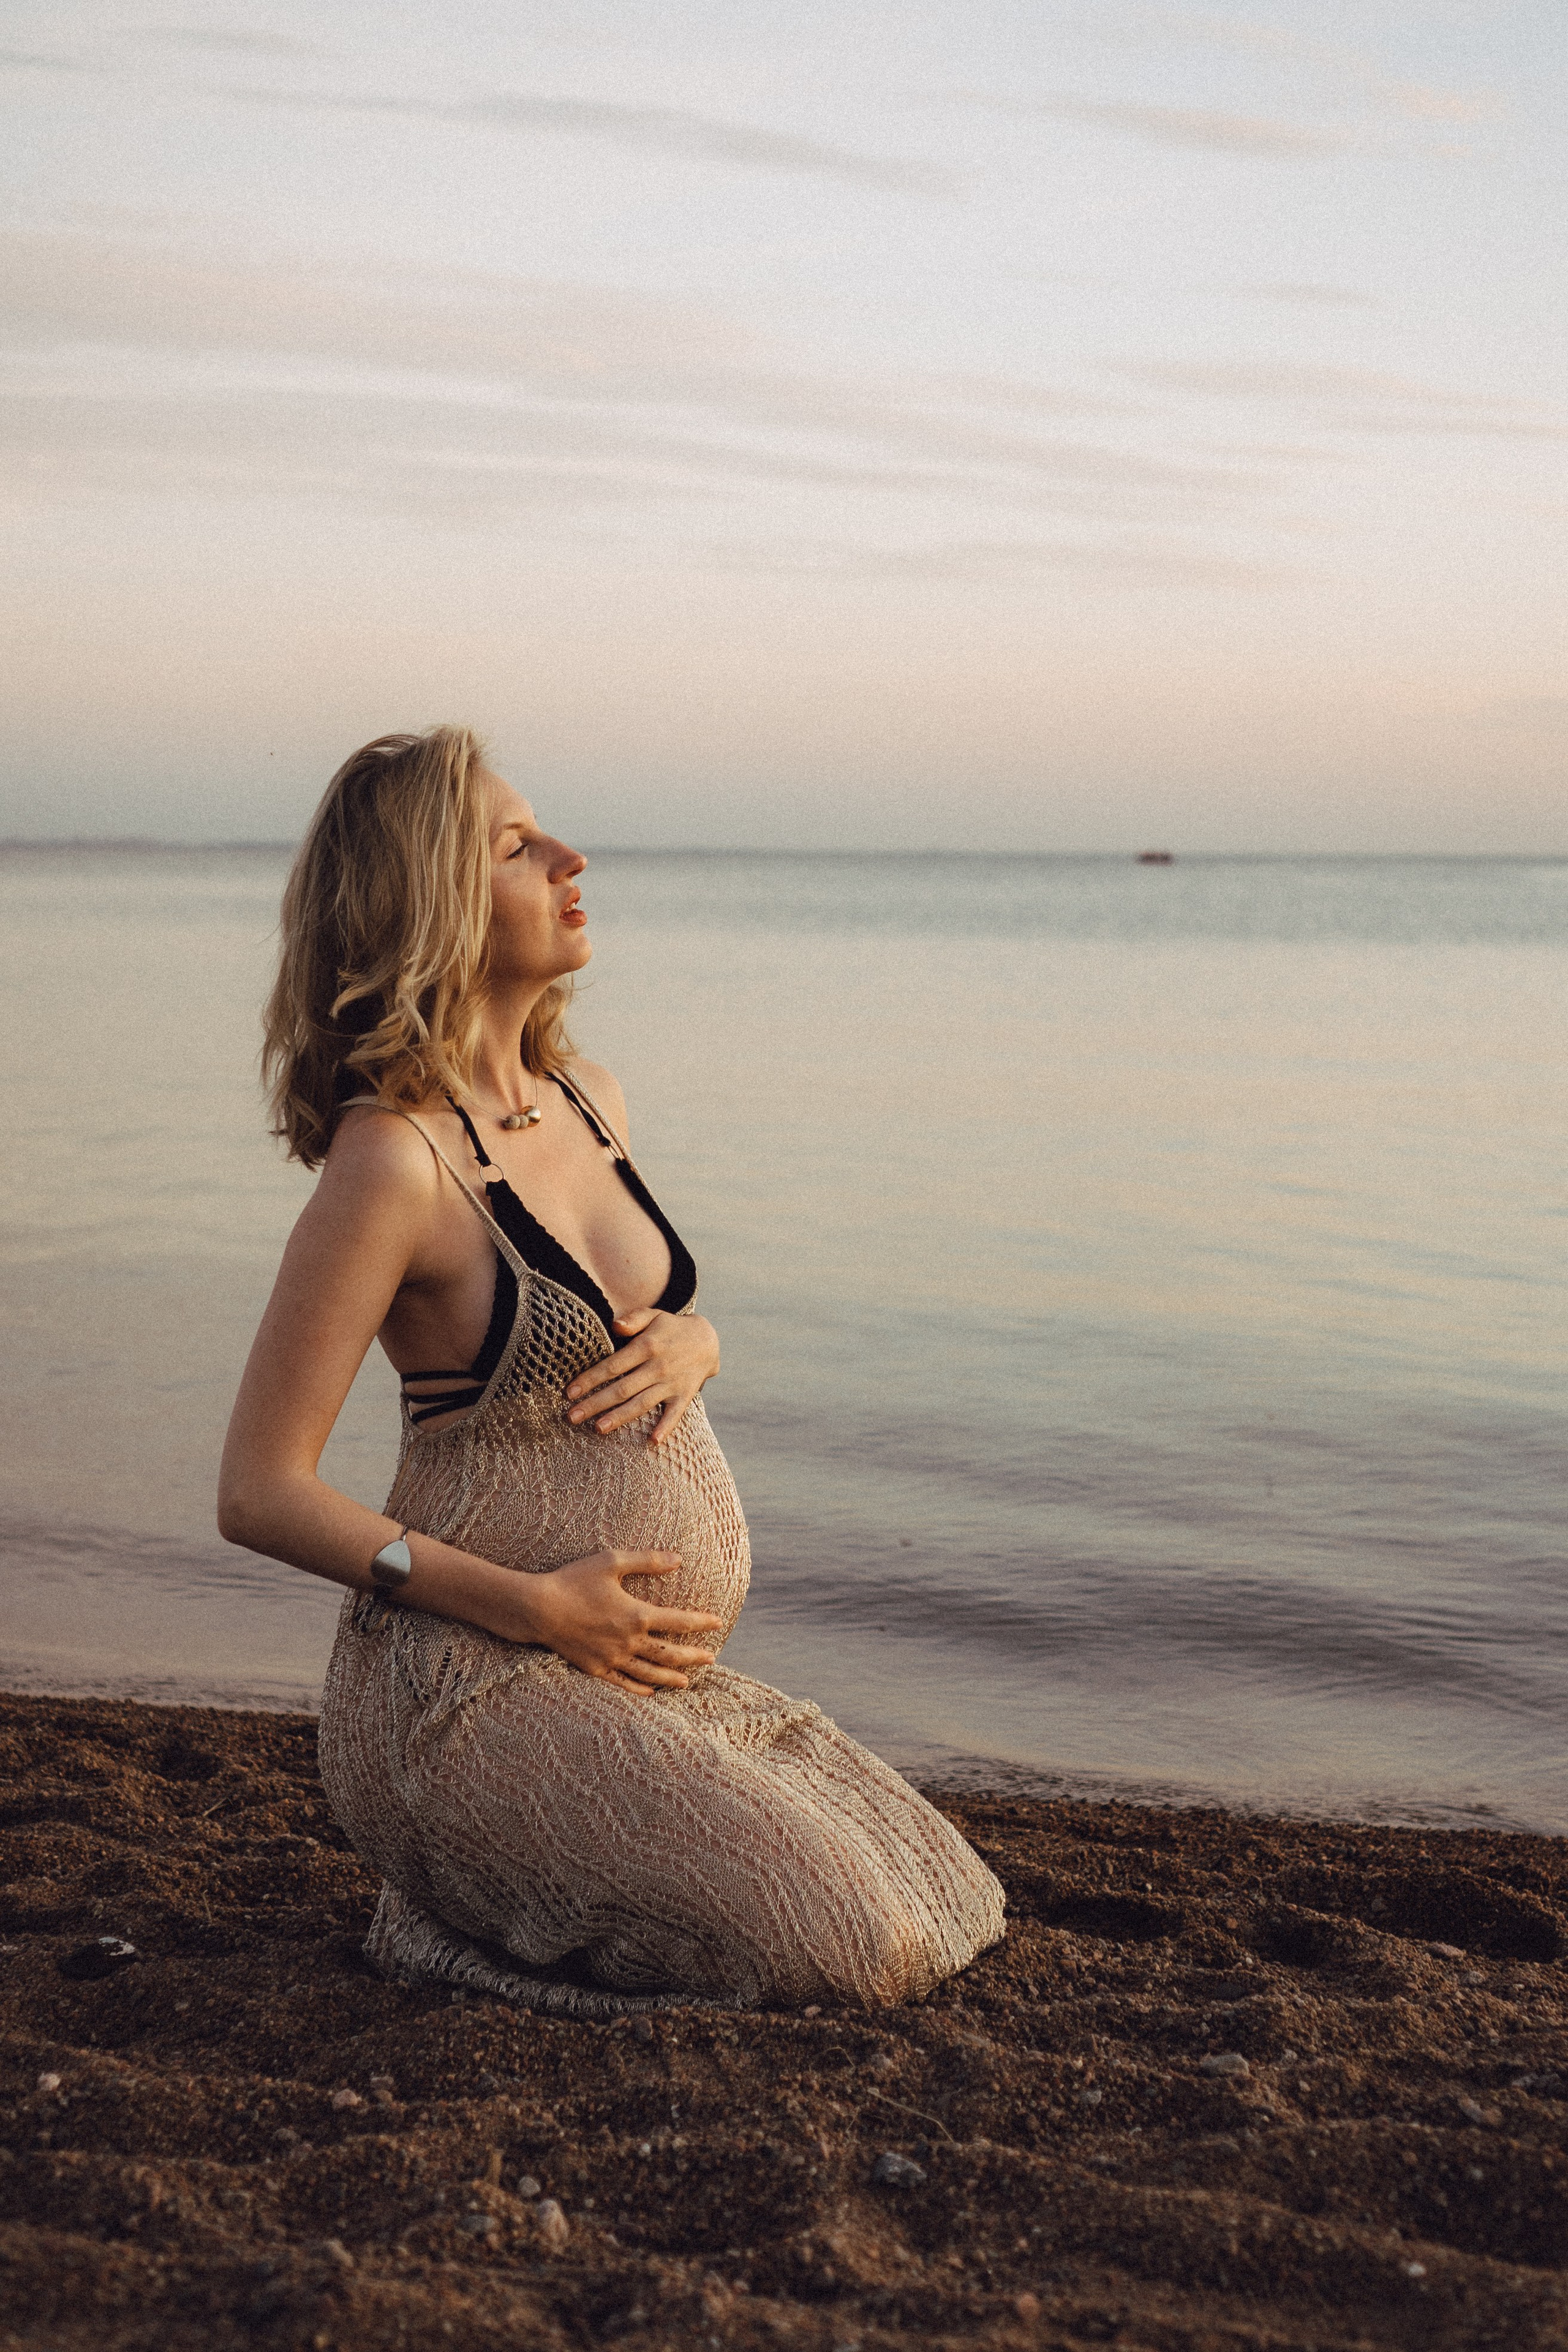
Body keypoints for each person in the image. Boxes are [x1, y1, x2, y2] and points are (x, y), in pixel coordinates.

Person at [218, 725, 1005, 2013]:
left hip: (615, 1679)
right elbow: (259, 1491)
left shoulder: (587, 1099)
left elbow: (631, 1324)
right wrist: (531, 1609)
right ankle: (438, 1933)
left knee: (946, 1900)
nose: (568, 857)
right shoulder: (394, 1162)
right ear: (429, 898)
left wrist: (703, 1340)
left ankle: (520, 1888)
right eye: (516, 845)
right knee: (846, 1956)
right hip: (462, 1688)